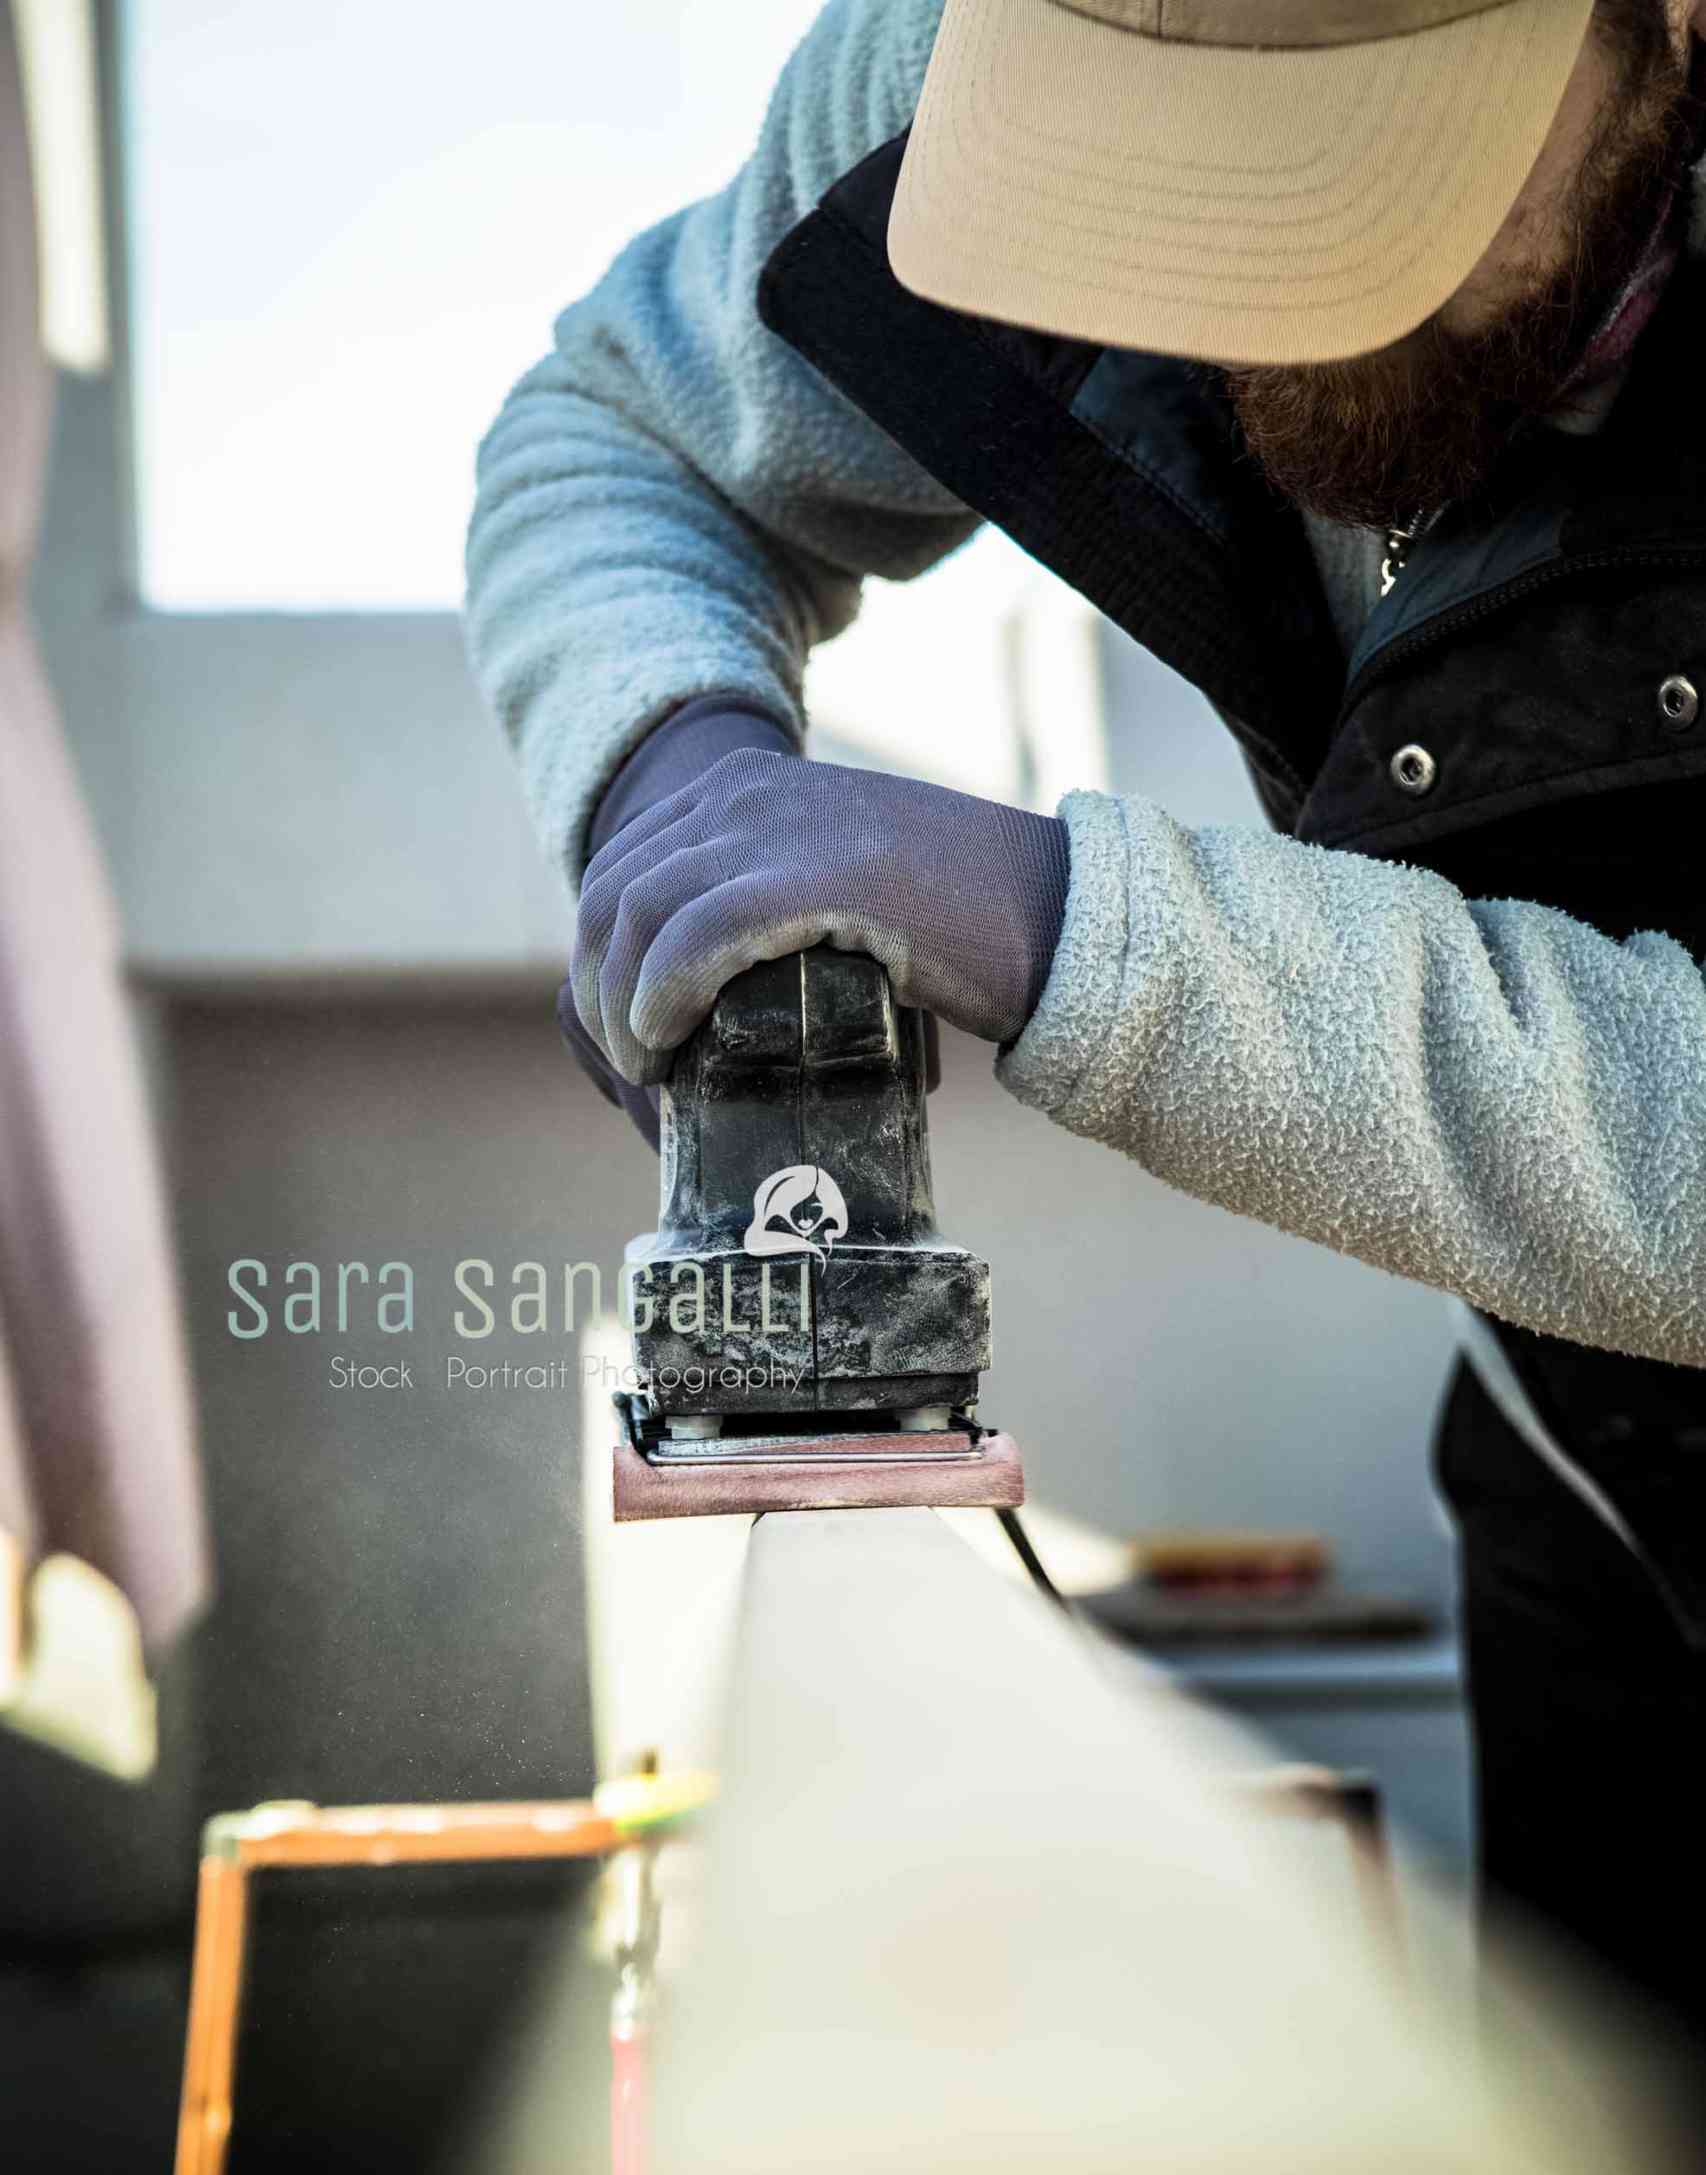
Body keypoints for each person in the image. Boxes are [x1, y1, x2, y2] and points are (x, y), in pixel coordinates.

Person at [466, 0, 1706, 2051]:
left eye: (1337, 144)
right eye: (1161, 139)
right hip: (1580, 1487)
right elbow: (617, 438)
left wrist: (1081, 933)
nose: (1243, 269)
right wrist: (668, 758)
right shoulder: (955, 69)